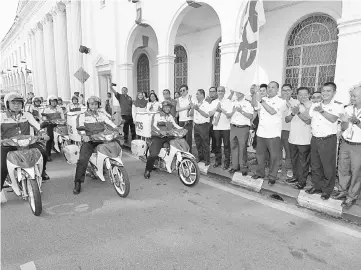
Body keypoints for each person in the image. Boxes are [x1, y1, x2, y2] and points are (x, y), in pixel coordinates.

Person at [1, 92, 50, 193]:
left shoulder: (27, 115)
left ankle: (42, 171)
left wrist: (43, 134)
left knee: (43, 154)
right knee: (2, 166)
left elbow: (37, 126)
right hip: (8, 145)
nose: (16, 105)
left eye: (19, 103)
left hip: (27, 143)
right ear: (7, 104)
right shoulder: (1, 116)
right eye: (13, 103)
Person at [73, 96, 122, 194]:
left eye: (96, 104)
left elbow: (109, 122)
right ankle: (78, 182)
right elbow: (79, 127)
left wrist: (117, 129)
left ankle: (111, 166)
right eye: (92, 104)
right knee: (83, 160)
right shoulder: (83, 115)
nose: (94, 106)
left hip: (102, 138)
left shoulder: (101, 114)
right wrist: (84, 136)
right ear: (88, 105)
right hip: (90, 139)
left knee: (116, 145)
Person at [305, 82, 344, 200]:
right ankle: (316, 186)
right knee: (315, 165)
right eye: (323, 91)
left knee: (328, 166)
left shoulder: (338, 105)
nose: (325, 93)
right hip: (315, 139)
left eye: (329, 91)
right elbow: (309, 117)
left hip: (328, 140)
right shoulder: (315, 104)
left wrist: (321, 110)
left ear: (334, 93)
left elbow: (333, 119)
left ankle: (327, 190)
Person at [251, 81, 287, 185]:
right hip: (261, 132)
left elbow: (272, 111)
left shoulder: (281, 102)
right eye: (269, 87)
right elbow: (255, 106)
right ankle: (260, 173)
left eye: (273, 87)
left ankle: (272, 176)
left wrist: (261, 101)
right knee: (260, 155)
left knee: (274, 157)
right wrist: (255, 93)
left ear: (277, 90)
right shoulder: (264, 99)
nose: (270, 89)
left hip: (273, 134)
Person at [333, 84, 361, 208]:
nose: (352, 98)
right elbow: (344, 128)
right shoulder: (348, 109)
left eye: (354, 96)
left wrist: (357, 122)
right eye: (351, 95)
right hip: (345, 143)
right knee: (343, 168)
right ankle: (342, 190)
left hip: (358, 146)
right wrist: (344, 122)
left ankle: (352, 196)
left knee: (356, 172)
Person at [144, 100, 183, 179]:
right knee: (154, 154)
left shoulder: (170, 116)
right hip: (158, 137)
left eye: (168, 107)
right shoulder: (157, 115)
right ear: (162, 108)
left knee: (178, 146)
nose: (167, 109)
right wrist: (160, 131)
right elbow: (153, 126)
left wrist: (182, 129)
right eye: (166, 107)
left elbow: (175, 125)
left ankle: (170, 162)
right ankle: (148, 170)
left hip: (169, 136)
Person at [285, 87, 312, 190]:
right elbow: (287, 120)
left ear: (309, 95)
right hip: (293, 138)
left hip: (305, 139)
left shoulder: (311, 106)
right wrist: (292, 113)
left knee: (303, 162)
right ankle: (296, 177)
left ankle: (302, 181)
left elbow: (308, 121)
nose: (303, 97)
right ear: (297, 95)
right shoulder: (294, 105)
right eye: (300, 94)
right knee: (294, 160)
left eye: (305, 94)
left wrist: (298, 113)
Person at [228, 91, 254, 175]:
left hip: (243, 128)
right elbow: (228, 115)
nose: (237, 93)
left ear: (243, 92)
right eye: (237, 91)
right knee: (233, 147)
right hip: (233, 127)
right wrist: (233, 111)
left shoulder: (247, 103)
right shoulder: (233, 103)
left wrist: (241, 111)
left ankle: (243, 168)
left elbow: (250, 116)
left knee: (243, 149)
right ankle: (235, 167)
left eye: (240, 91)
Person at [209, 86, 233, 169]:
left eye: (222, 91)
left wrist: (221, 109)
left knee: (226, 146)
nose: (220, 92)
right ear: (216, 92)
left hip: (226, 127)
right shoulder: (214, 102)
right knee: (217, 145)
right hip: (216, 127)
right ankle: (218, 161)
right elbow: (210, 114)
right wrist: (216, 108)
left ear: (224, 92)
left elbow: (229, 114)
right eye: (218, 91)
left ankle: (227, 163)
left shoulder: (228, 102)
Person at [280, 84, 299, 177]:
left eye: (288, 90)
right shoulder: (277, 101)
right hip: (275, 129)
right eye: (284, 90)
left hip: (288, 129)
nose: (286, 92)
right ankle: (278, 166)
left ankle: (289, 168)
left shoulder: (295, 102)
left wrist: (287, 103)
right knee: (276, 149)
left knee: (288, 150)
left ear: (292, 91)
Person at [190, 89, 211, 166]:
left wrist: (198, 109)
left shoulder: (207, 104)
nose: (196, 95)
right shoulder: (196, 104)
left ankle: (207, 160)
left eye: (198, 94)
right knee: (198, 143)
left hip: (204, 126)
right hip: (196, 125)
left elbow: (206, 115)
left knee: (205, 143)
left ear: (202, 95)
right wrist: (192, 107)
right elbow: (190, 114)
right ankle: (200, 157)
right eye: (196, 94)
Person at [42, 95, 65, 161]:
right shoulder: (46, 109)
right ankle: (48, 155)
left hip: (59, 125)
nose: (54, 103)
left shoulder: (59, 108)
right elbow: (43, 118)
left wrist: (63, 121)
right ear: (49, 102)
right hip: (50, 125)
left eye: (55, 101)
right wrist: (48, 121)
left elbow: (62, 117)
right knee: (50, 138)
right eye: (52, 101)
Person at [176, 84, 194, 153]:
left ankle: (189, 154)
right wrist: (186, 107)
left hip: (188, 120)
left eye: (184, 90)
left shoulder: (190, 98)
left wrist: (188, 106)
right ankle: (183, 153)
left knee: (188, 138)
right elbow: (177, 109)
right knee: (181, 138)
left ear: (187, 91)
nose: (182, 92)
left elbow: (191, 107)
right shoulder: (178, 99)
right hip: (181, 121)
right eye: (181, 91)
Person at [205, 86, 218, 155]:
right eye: (210, 91)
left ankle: (214, 151)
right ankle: (207, 151)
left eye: (213, 91)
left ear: (216, 92)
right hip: (207, 121)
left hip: (215, 121)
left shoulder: (217, 100)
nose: (211, 93)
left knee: (214, 137)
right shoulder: (206, 100)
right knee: (207, 137)